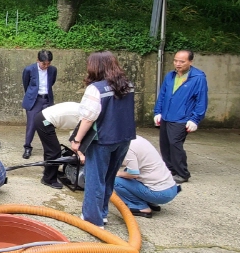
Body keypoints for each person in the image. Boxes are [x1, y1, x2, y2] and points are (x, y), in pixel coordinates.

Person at [71, 51, 136, 228]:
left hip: (102, 140)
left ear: (96, 67)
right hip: (124, 138)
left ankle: (93, 219)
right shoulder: (127, 85)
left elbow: (88, 118)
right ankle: (103, 213)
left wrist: (77, 140)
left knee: (95, 180)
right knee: (109, 178)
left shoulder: (96, 89)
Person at [154, 50, 208, 183]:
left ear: (190, 62)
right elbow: (162, 95)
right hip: (166, 116)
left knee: (175, 144)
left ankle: (182, 173)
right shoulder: (170, 76)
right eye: (175, 61)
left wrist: (195, 119)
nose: (178, 64)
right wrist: (157, 112)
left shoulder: (198, 78)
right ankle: (169, 169)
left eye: (182, 62)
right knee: (165, 144)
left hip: (182, 118)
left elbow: (201, 100)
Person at [114, 135, 180, 218]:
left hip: (160, 194)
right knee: (126, 172)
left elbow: (133, 174)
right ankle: (150, 201)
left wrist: (117, 173)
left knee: (115, 180)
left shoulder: (127, 147)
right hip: (171, 187)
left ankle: (140, 206)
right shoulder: (137, 139)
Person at [33, 101, 80, 189]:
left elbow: (74, 134)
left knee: (52, 149)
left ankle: (49, 172)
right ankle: (48, 179)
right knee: (53, 151)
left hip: (43, 118)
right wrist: (79, 153)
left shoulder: (85, 110)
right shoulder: (86, 117)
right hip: (45, 121)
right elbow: (76, 138)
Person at [21, 49, 57, 159]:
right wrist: (32, 95)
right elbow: (26, 84)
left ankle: (49, 148)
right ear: (38, 60)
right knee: (32, 124)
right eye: (43, 63)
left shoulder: (53, 70)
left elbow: (52, 82)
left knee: (47, 123)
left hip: (47, 99)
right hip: (34, 100)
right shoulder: (29, 70)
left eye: (48, 63)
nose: (46, 66)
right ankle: (27, 147)